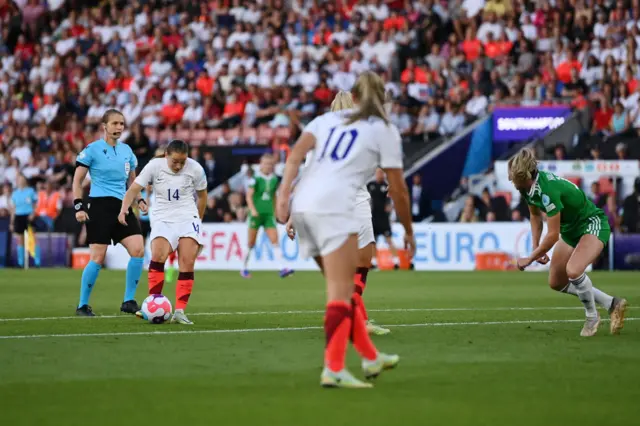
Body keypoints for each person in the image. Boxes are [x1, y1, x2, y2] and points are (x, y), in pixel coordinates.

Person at [276, 72, 416, 388]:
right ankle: (334, 368)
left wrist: (284, 195)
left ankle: (369, 356)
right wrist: (408, 230)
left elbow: (296, 155)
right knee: (341, 293)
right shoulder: (383, 130)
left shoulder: (323, 122)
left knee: (342, 291)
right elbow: (398, 189)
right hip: (336, 207)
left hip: (305, 206)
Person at [287, 90, 390, 336]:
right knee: (362, 264)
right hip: (354, 201)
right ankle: (356, 317)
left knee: (349, 266)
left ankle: (352, 314)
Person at [509, 148, 627, 337]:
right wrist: (535, 247)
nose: (513, 183)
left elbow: (553, 234)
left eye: (516, 179)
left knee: (573, 271)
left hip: (590, 224)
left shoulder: (547, 191)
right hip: (570, 229)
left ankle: (592, 317)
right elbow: (535, 216)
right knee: (556, 281)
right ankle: (612, 304)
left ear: (527, 175)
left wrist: (530, 258)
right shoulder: (526, 188)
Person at [119, 139, 208, 325]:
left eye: (182, 162)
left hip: (187, 216)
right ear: (166, 155)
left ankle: (180, 311)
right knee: (158, 255)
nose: (178, 165)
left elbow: (202, 196)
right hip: (162, 217)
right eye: (175, 161)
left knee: (187, 261)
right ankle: (153, 305)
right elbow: (134, 188)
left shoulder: (196, 169)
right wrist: (123, 210)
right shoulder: (154, 166)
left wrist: (197, 219)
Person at [73, 109, 146, 316]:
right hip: (100, 206)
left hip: (123, 206)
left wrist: (139, 199)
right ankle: (82, 305)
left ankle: (129, 301)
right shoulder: (92, 150)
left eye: (121, 124)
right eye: (115, 124)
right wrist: (78, 205)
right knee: (97, 256)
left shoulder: (127, 151)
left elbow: (132, 180)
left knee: (138, 250)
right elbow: (77, 181)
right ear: (104, 126)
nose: (119, 128)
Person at [242, 153, 293, 278]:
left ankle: (282, 268)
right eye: (266, 164)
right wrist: (252, 210)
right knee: (251, 243)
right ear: (261, 164)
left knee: (275, 241)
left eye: (270, 164)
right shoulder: (255, 179)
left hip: (269, 214)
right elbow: (249, 196)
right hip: (256, 215)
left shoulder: (274, 179)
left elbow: (274, 196)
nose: (268, 166)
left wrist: (276, 211)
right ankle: (244, 268)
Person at [368, 168, 400, 269]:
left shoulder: (386, 186)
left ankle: (396, 261)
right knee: (373, 241)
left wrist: (390, 207)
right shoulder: (370, 185)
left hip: (384, 218)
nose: (379, 175)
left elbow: (392, 198)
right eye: (378, 173)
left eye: (381, 173)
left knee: (389, 239)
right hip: (374, 217)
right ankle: (374, 262)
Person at [9, 174, 40, 267]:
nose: (20, 181)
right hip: (18, 216)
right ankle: (20, 262)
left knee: (33, 238)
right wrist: (12, 222)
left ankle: (37, 261)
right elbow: (13, 209)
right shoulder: (15, 193)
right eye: (19, 179)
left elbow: (35, 204)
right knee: (20, 240)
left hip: (28, 216)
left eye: (22, 179)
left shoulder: (31, 191)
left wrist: (33, 214)